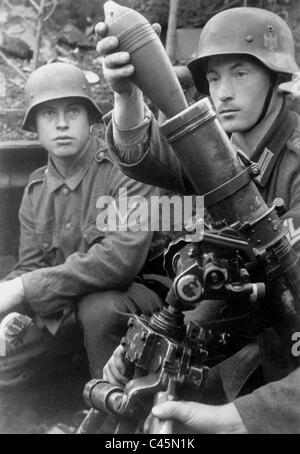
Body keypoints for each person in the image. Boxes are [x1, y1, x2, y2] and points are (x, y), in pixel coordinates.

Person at [95, 7, 300, 434]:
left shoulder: (295, 159)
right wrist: (127, 95)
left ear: (277, 79)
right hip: (241, 336)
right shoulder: (225, 146)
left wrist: (237, 420)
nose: (222, 93)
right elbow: (147, 156)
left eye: (240, 73)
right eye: (213, 78)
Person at [0, 62, 165, 387]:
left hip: (137, 298)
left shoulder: (126, 169)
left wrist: (22, 288)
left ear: (90, 119)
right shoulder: (36, 189)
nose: (61, 124)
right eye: (48, 114)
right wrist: (10, 307)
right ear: (34, 125)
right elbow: (30, 265)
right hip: (65, 303)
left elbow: (120, 261)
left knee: (99, 310)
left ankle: (113, 410)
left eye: (72, 111)